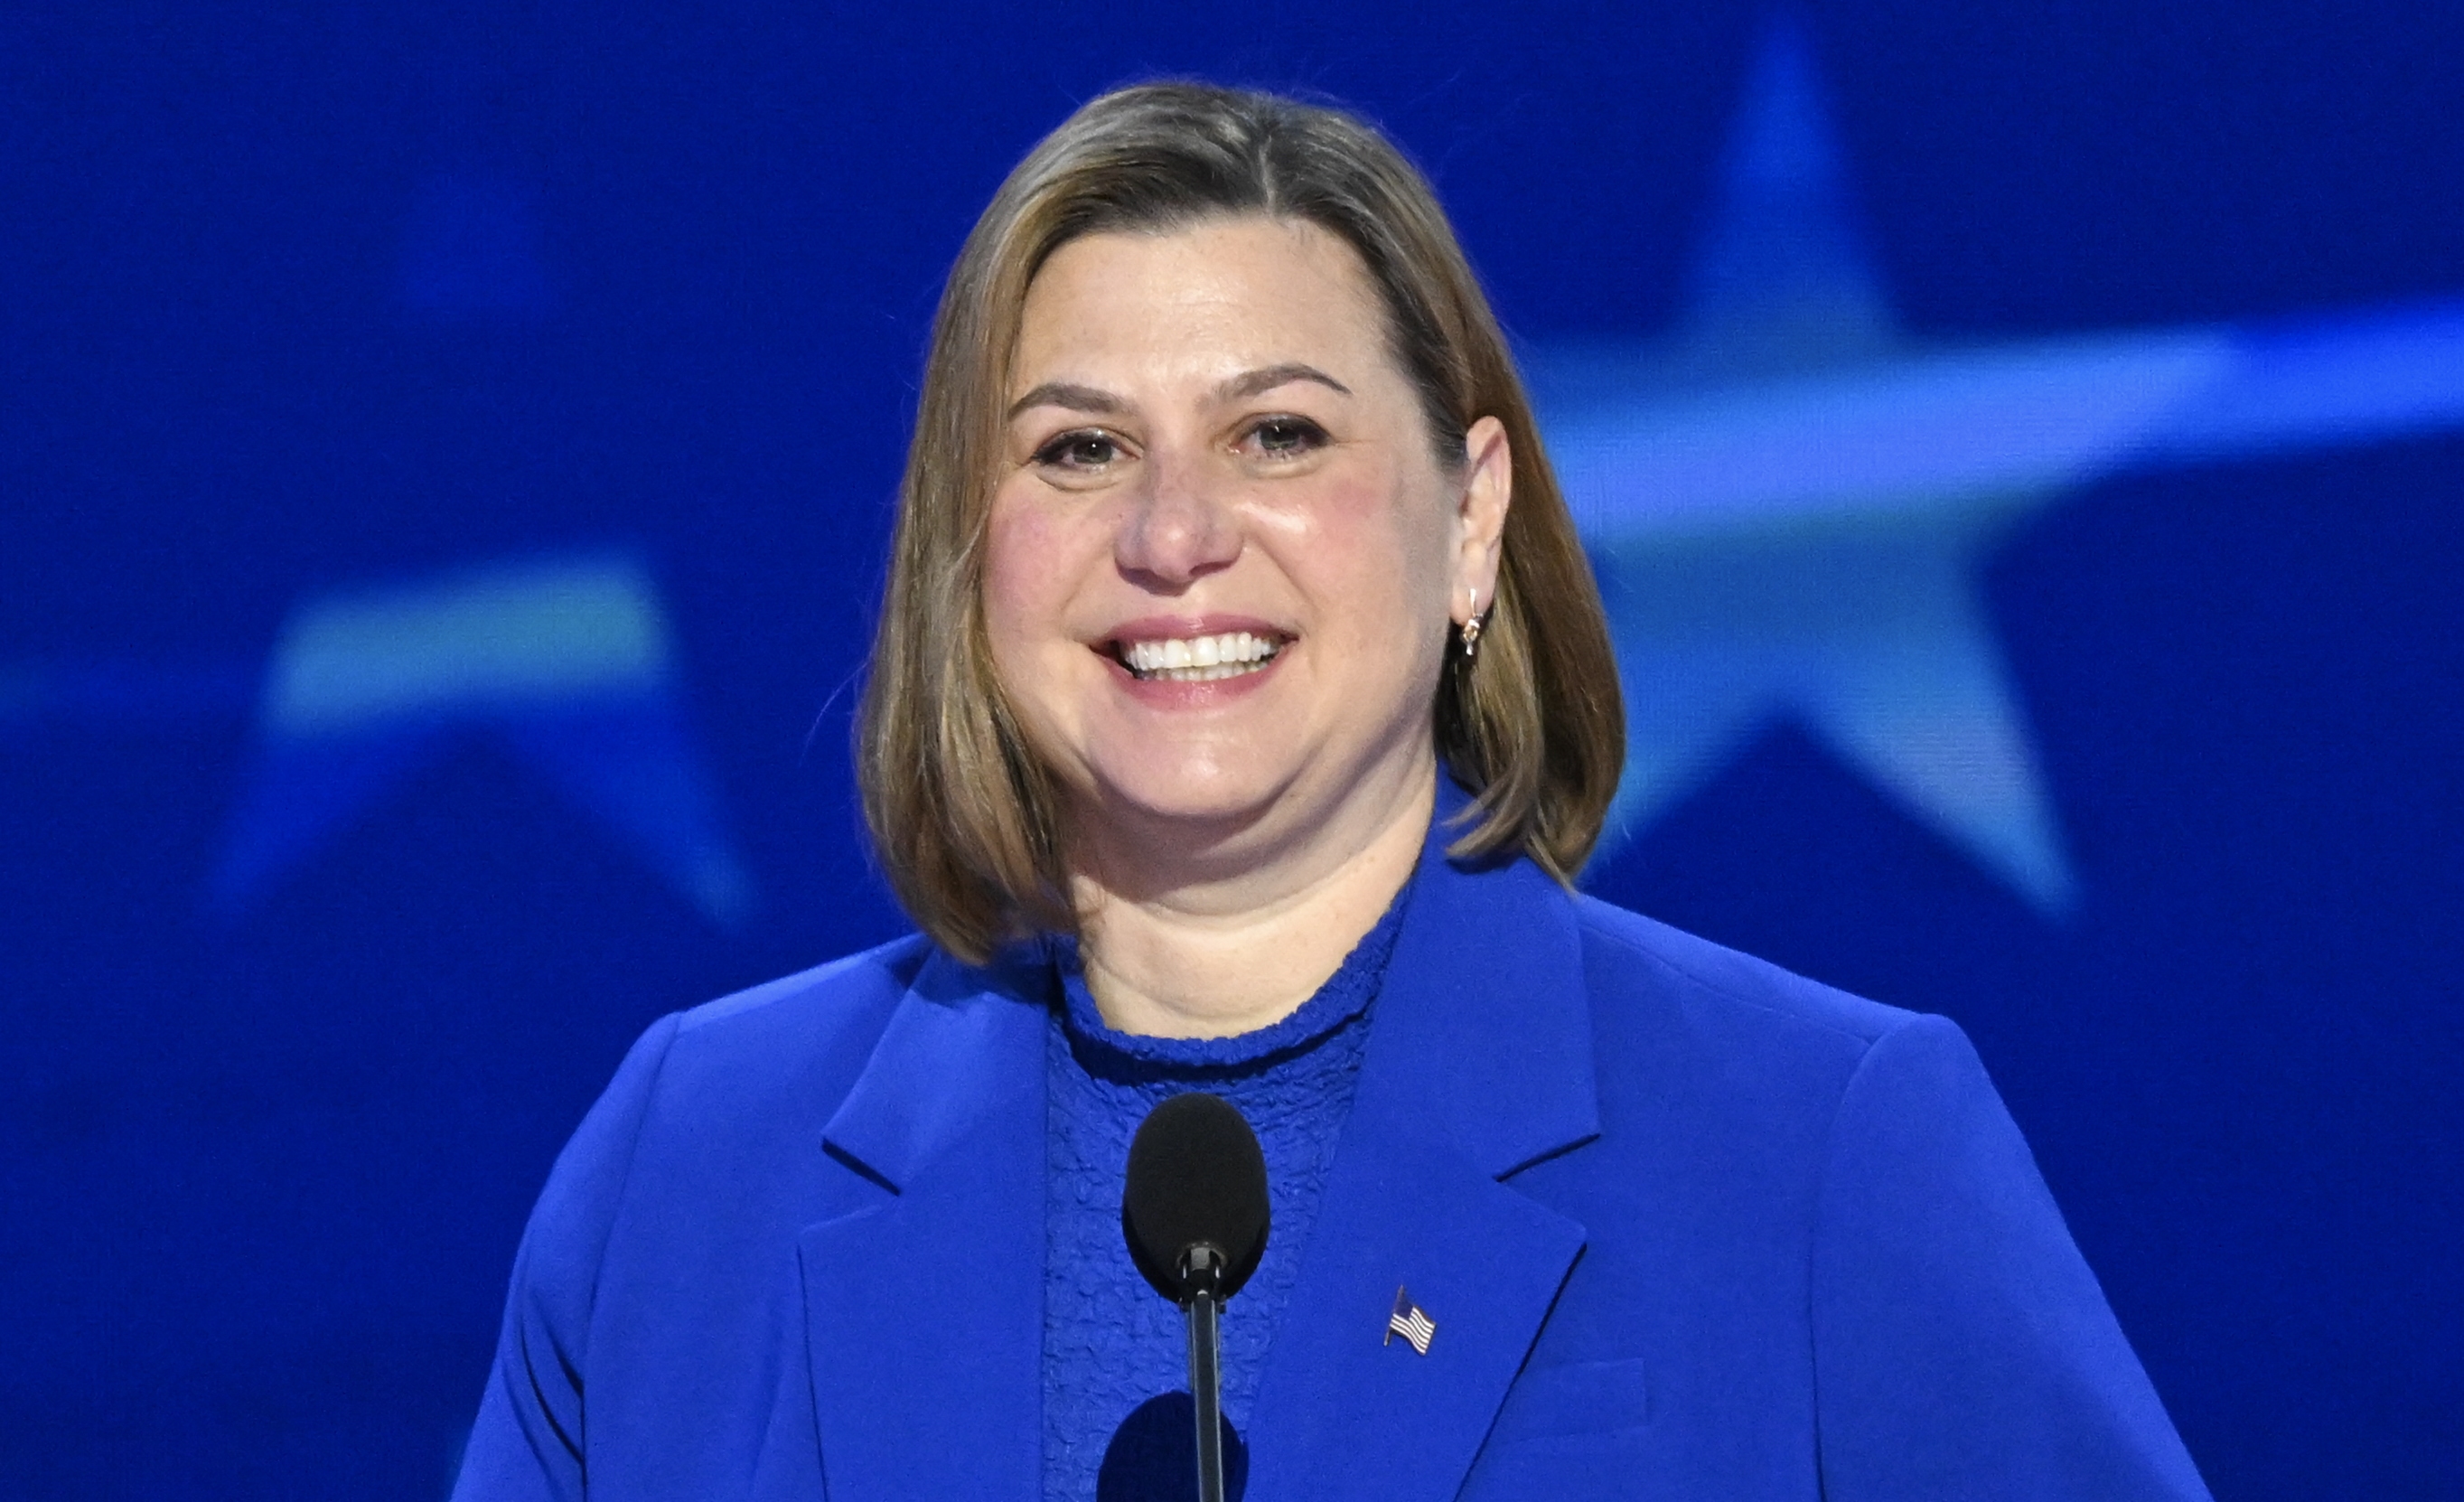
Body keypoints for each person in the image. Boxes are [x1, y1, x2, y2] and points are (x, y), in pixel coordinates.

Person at [451, 83, 2210, 1502]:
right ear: (965, 555)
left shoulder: (1823, 1148)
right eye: (1078, 450)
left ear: (1469, 521)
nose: (1171, 537)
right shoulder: (685, 1170)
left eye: (1275, 435)